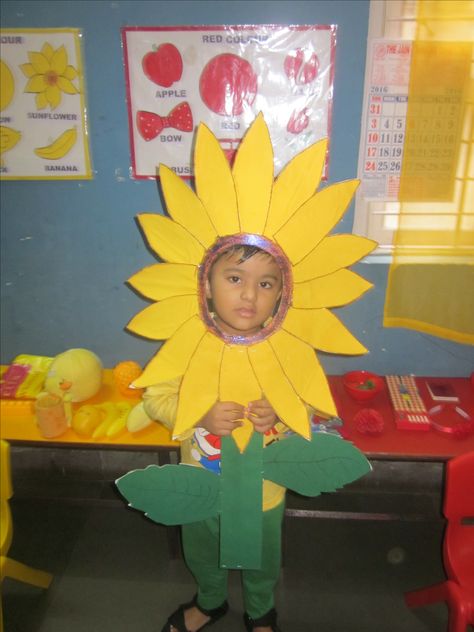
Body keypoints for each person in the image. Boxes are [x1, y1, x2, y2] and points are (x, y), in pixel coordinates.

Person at [143, 244, 293, 632]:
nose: (249, 295)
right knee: (202, 550)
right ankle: (210, 601)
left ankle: (261, 610)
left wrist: (281, 411)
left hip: (264, 490)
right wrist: (199, 413)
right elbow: (155, 398)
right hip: (200, 486)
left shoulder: (286, 350)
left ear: (280, 294)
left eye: (265, 283)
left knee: (262, 556)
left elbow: (307, 404)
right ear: (207, 285)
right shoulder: (186, 345)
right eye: (234, 279)